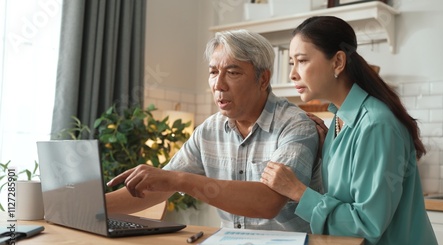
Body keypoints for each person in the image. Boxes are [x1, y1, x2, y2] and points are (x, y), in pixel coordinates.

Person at [260, 16, 443, 245]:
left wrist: (298, 192)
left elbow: (366, 224)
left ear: (337, 62)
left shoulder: (376, 124)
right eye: (292, 63)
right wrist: (327, 148)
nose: (292, 73)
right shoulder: (339, 120)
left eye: (302, 61)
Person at [106, 29, 323, 232]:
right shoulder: (209, 130)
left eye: (232, 73)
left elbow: (269, 203)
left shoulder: (296, 126)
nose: (218, 84)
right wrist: (91, 207)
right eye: (213, 72)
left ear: (263, 79)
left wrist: (179, 179)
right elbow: (157, 189)